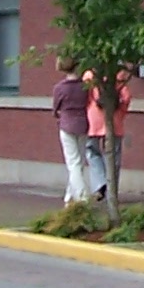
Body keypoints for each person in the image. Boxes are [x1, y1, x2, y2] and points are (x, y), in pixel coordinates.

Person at [50, 59, 92, 204]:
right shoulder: (85, 86)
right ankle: (70, 196)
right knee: (79, 161)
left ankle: (82, 197)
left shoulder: (59, 88)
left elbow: (55, 109)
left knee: (73, 163)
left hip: (67, 125)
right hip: (83, 124)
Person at [85, 71, 131, 201]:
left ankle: (100, 183)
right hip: (114, 120)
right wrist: (121, 110)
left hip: (93, 119)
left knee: (91, 151)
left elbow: (84, 97)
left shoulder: (90, 75)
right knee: (113, 156)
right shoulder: (119, 73)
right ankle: (112, 190)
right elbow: (126, 97)